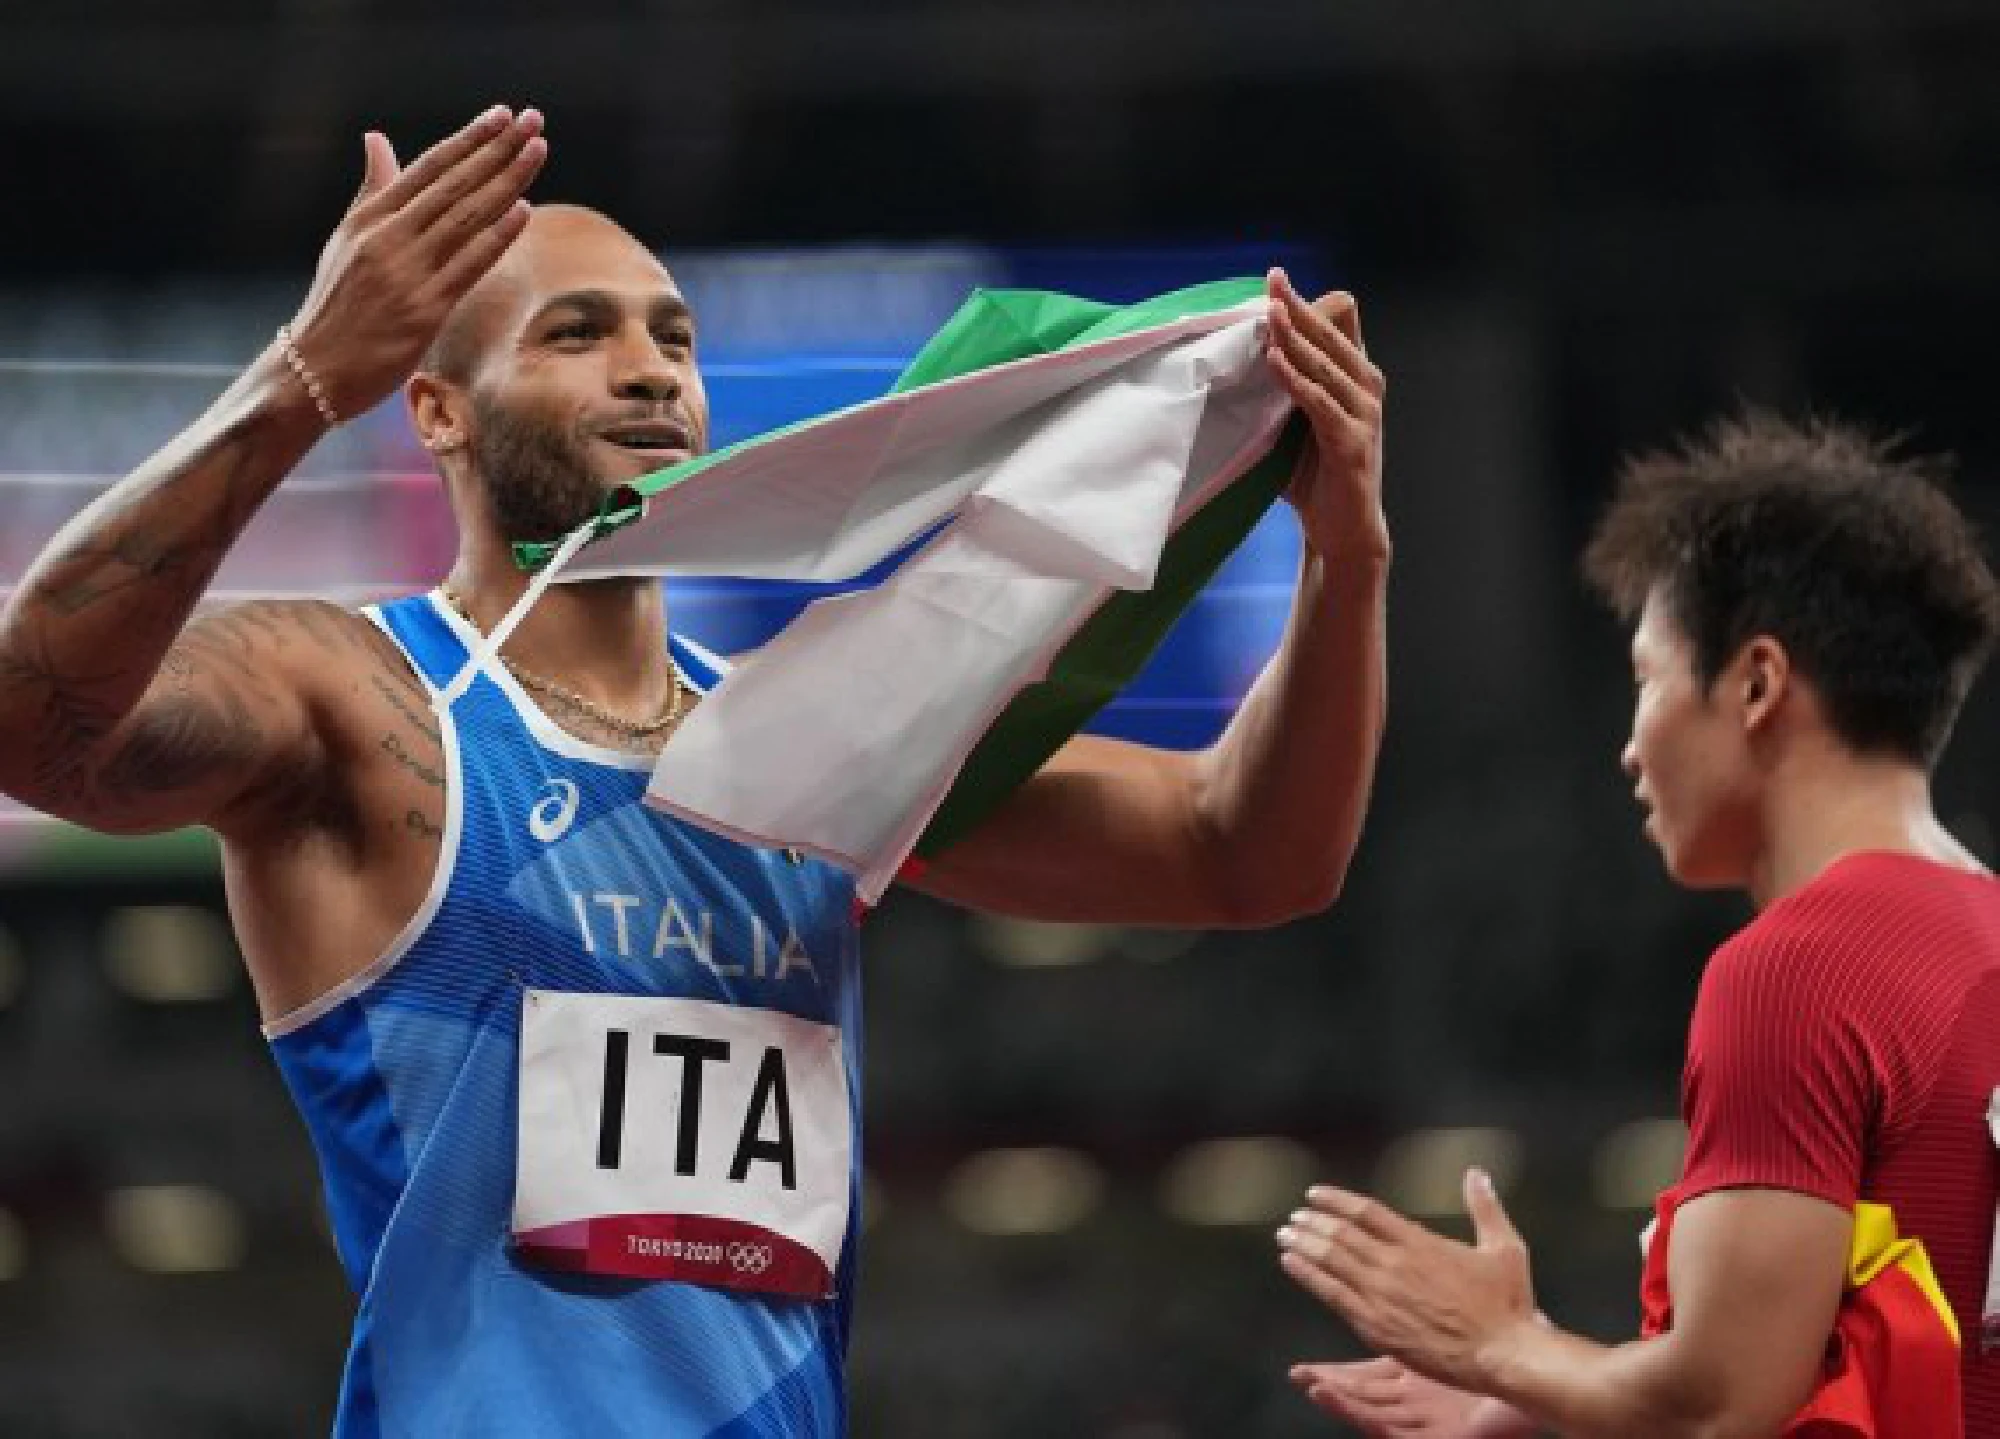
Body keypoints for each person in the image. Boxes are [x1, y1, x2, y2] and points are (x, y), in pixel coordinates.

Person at [0, 107, 1391, 1434]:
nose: (652, 367)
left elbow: (1245, 851)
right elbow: (31, 725)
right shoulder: (362, 702)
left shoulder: (820, 742)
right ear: (436, 410)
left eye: (675, 335)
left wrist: (1346, 560)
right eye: (579, 333)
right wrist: (301, 380)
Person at [1278, 413, 2000, 1437]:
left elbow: (1719, 1405)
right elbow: (1819, 1369)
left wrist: (1500, 1344)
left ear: (1754, 683)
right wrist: (1540, 1392)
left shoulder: (1795, 971)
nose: (1627, 749)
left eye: (1644, 681)